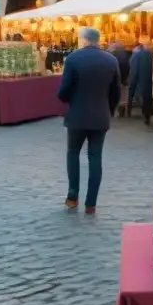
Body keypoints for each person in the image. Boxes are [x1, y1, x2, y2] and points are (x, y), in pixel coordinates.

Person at [56, 26, 120, 213]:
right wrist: (109, 110)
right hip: (101, 116)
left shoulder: (74, 58)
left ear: (83, 39)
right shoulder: (111, 60)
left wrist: (68, 99)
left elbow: (63, 90)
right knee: (95, 157)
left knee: (73, 153)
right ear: (97, 40)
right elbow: (115, 92)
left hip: (77, 115)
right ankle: (91, 203)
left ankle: (72, 196)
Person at [130, 37, 153, 125]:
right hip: (150, 80)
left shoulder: (140, 54)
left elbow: (135, 68)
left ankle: (147, 116)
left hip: (143, 80)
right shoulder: (151, 54)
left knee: (145, 98)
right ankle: (149, 114)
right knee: (149, 98)